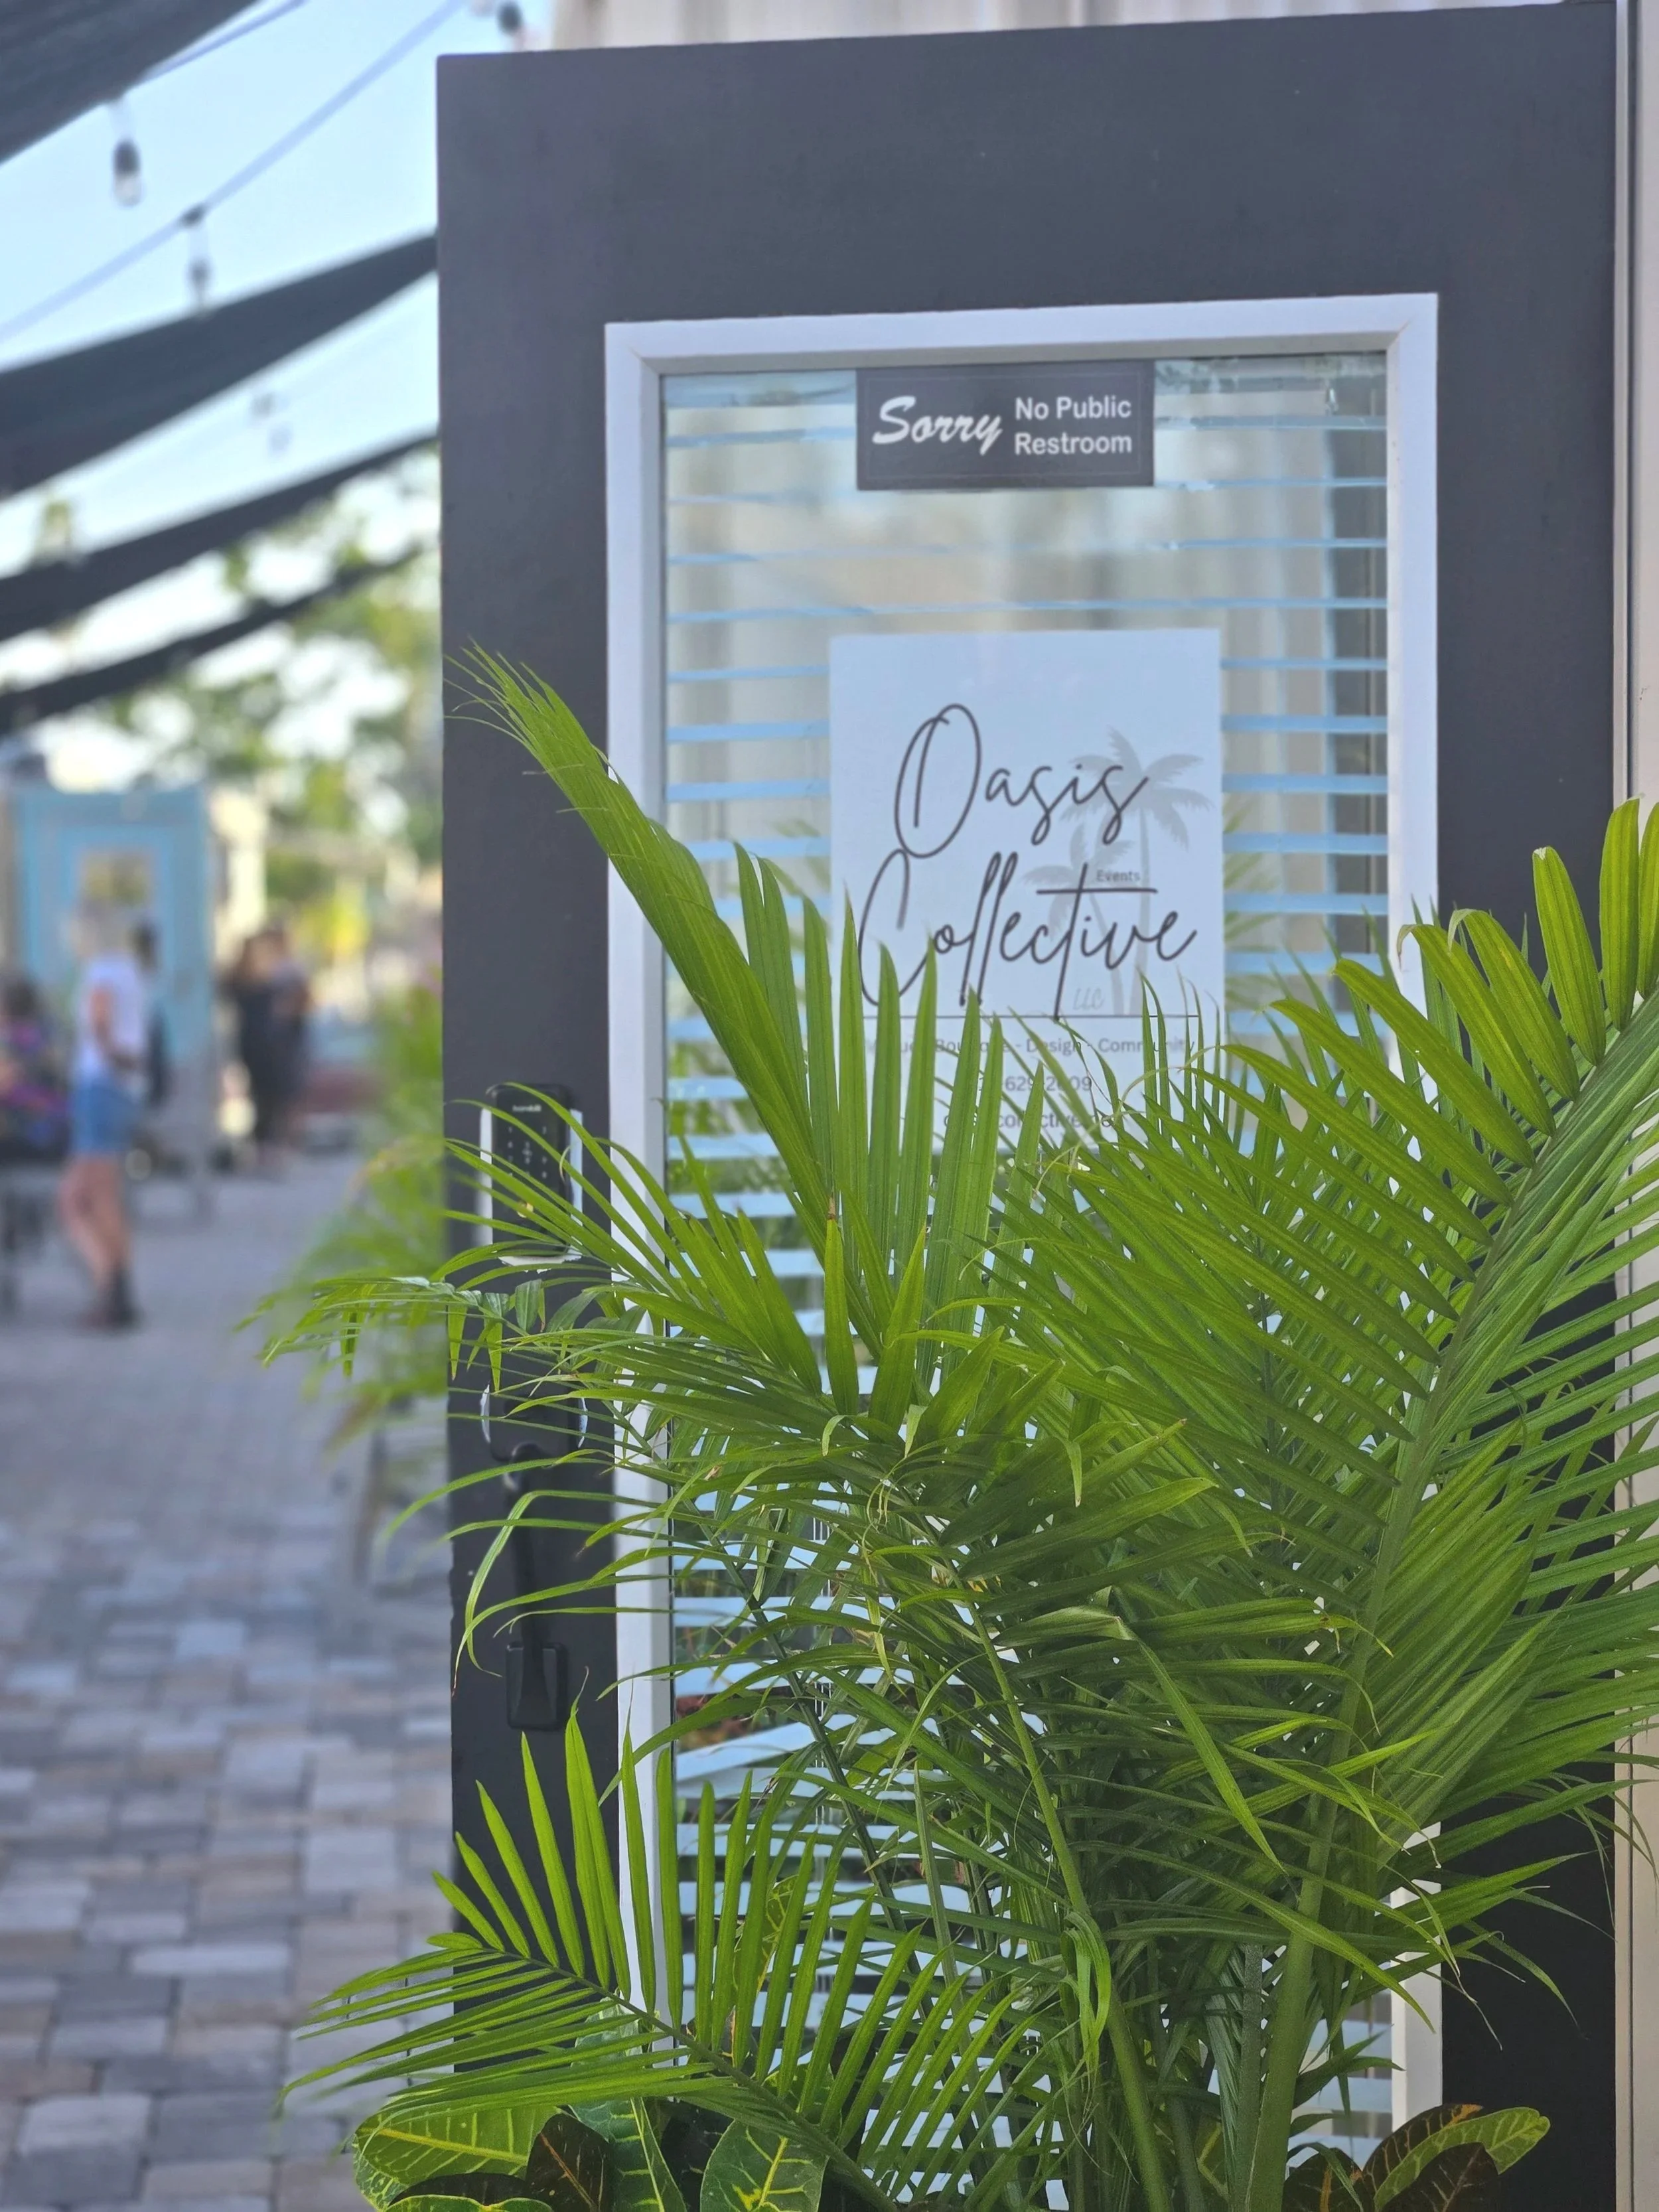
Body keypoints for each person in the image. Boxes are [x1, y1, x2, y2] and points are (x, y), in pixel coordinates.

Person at [59, 911, 146, 1327]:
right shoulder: (130, 971)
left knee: (85, 1199)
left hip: (99, 1088)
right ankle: (115, 1287)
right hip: (120, 1090)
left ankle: (112, 1289)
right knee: (94, 1197)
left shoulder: (101, 972)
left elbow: (99, 1018)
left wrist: (106, 1050)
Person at [228, 924, 309, 1166]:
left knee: (277, 1097)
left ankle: (273, 1147)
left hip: (273, 1044)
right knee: (266, 1097)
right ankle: (267, 1148)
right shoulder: (247, 978)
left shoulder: (275, 975)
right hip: (260, 1045)